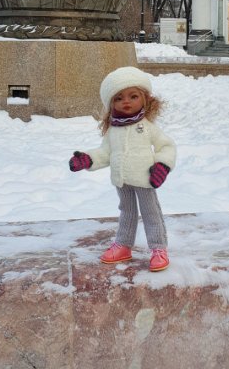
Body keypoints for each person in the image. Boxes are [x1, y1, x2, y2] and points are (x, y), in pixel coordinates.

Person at [69, 66, 176, 272]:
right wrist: (87, 160)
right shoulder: (113, 131)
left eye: (133, 96)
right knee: (126, 211)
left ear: (145, 99)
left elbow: (167, 146)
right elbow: (104, 153)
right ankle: (124, 245)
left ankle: (158, 248)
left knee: (150, 212)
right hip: (122, 180)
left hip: (146, 179)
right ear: (111, 104)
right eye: (118, 98)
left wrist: (162, 165)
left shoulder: (147, 127)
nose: (126, 101)